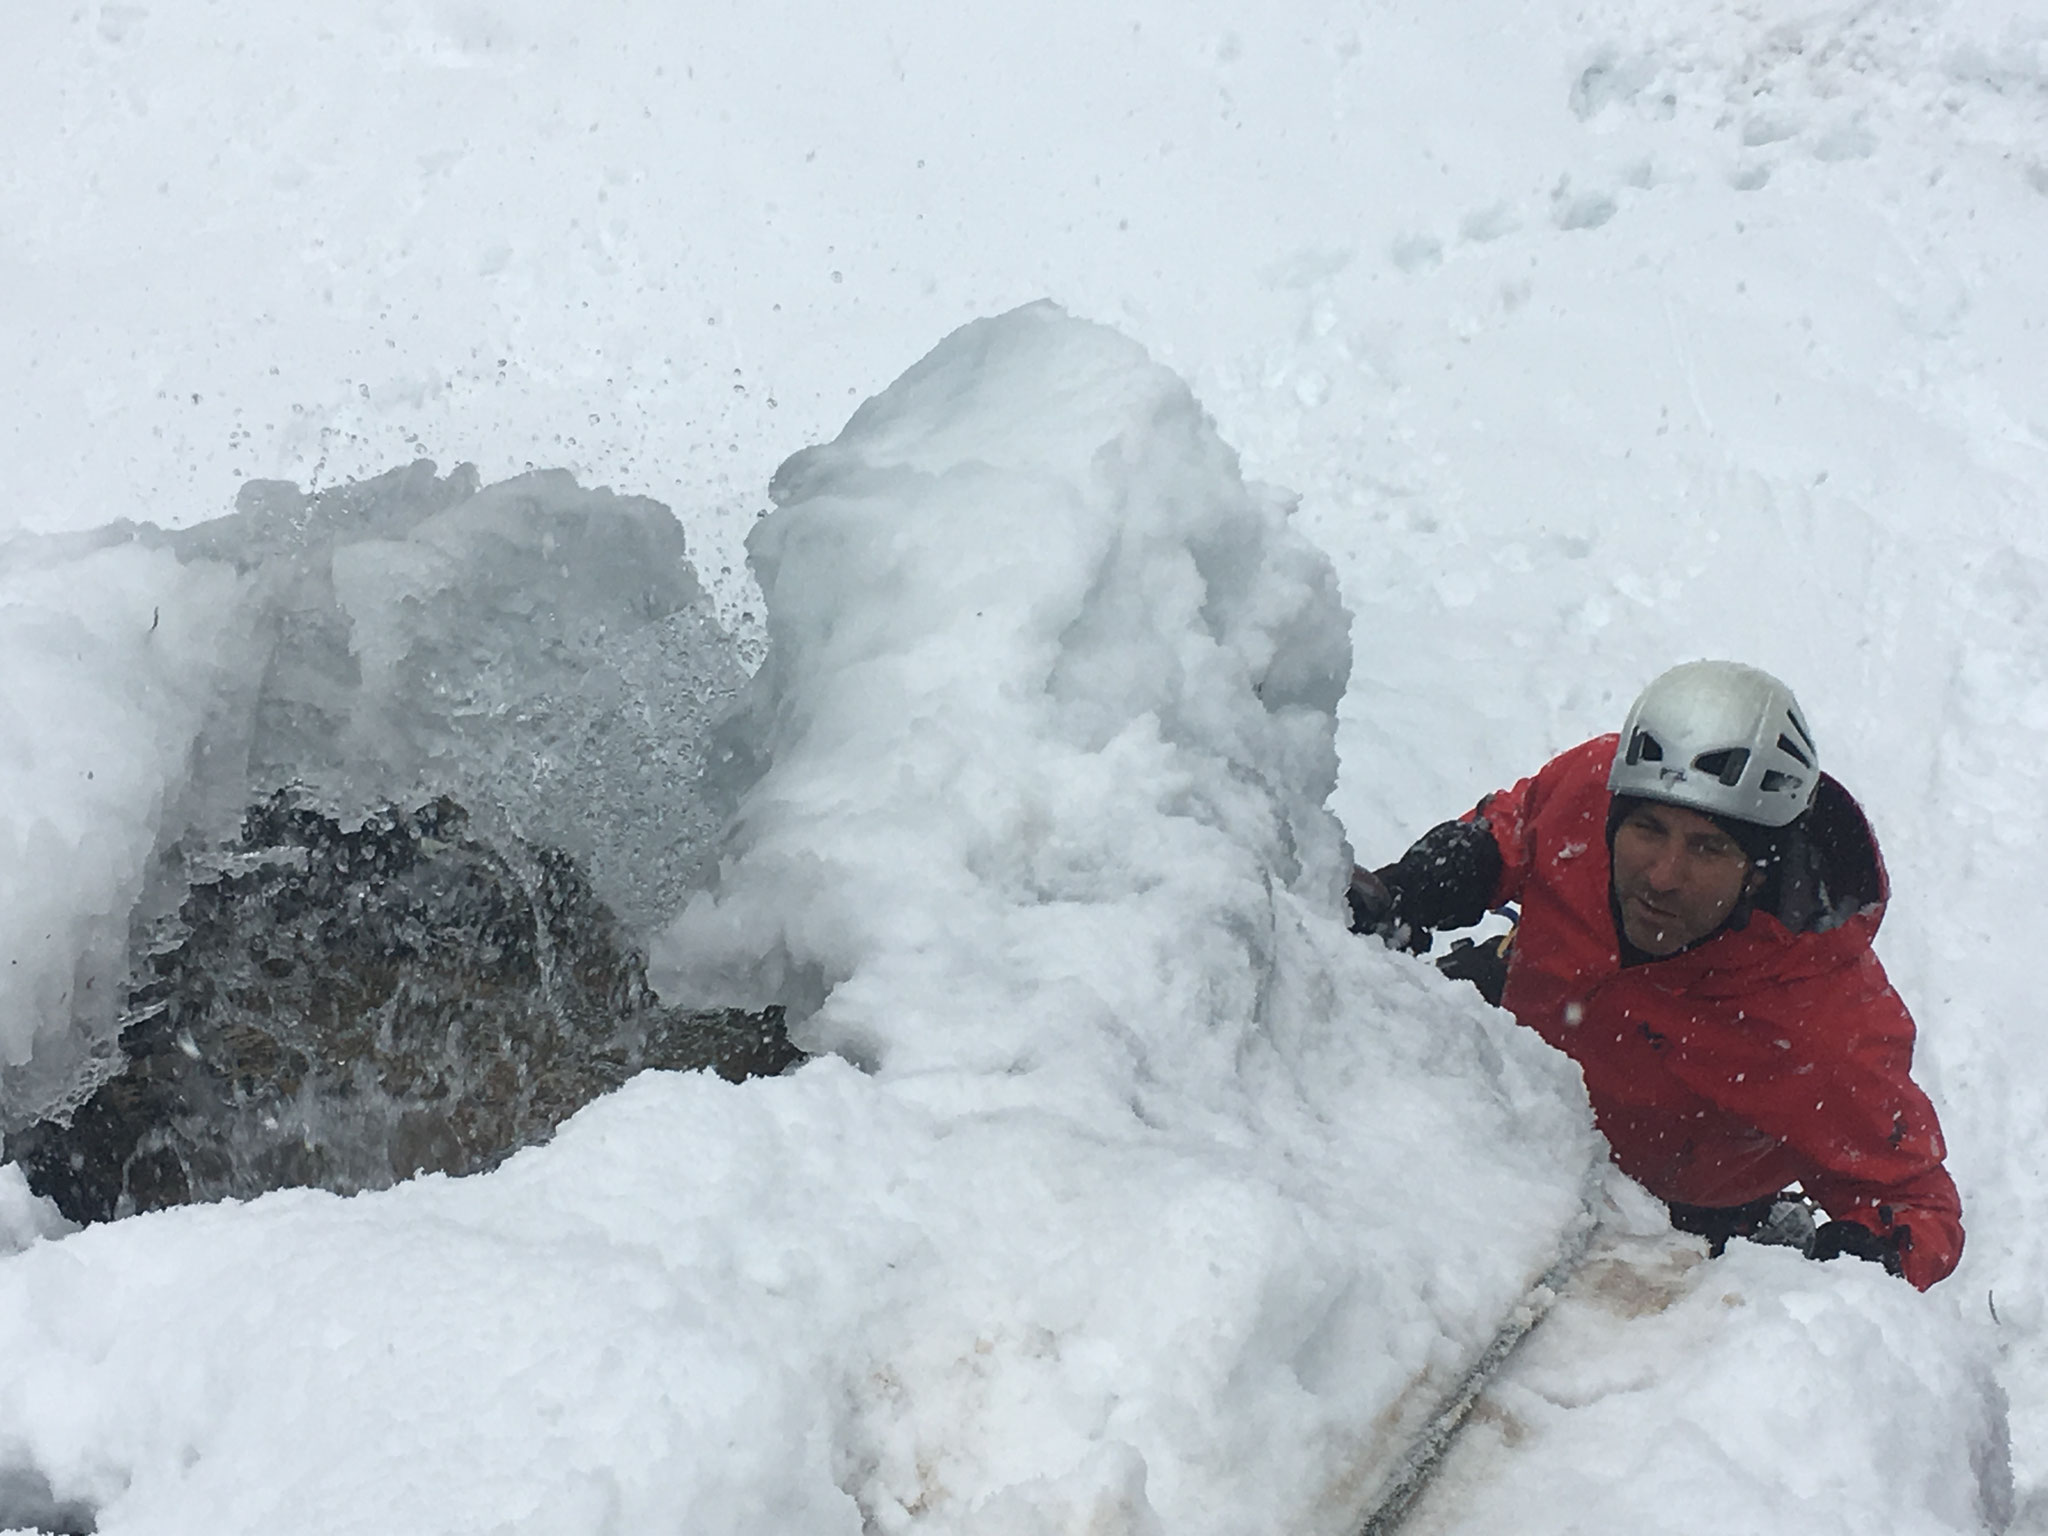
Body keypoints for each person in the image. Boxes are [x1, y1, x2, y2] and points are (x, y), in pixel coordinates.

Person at [1349, 660, 1963, 1290]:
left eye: (1708, 848)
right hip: (1519, 1067)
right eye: (1648, 830)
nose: (1663, 875)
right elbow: (1515, 825)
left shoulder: (1821, 1025)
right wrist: (1422, 883)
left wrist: (1867, 1258)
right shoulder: (1589, 791)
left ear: (1760, 869)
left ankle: (1763, 1225)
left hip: (1672, 1204)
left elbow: (1918, 1201)